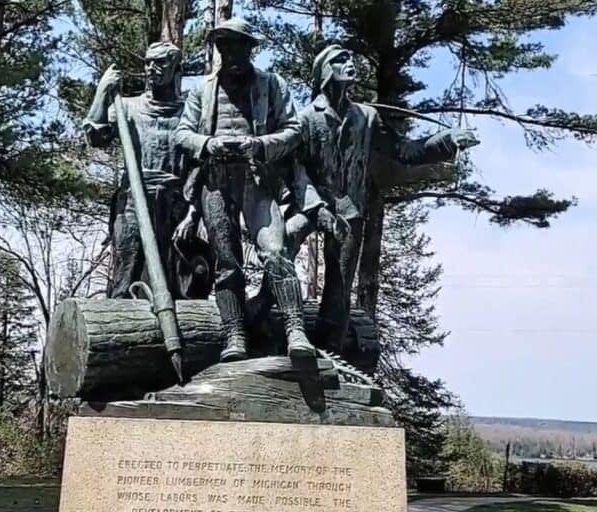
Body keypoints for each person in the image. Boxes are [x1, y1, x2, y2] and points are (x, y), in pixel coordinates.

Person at [290, 44, 480, 351]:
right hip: (310, 205)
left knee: (339, 283)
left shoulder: (367, 117)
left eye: (349, 56)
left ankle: (328, 354)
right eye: (340, 59)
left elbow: (406, 151)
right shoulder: (305, 119)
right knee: (282, 246)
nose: (350, 62)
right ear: (325, 72)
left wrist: (447, 140)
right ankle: (276, 322)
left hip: (348, 210)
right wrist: (315, 206)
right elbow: (294, 170)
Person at [173, 18, 315, 362]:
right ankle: (234, 334)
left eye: (236, 45)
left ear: (250, 48)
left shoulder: (272, 85)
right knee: (227, 263)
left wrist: (261, 145)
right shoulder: (202, 91)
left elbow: (295, 129)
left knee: (276, 250)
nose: (229, 52)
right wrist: (208, 145)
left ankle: (295, 327)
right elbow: (182, 133)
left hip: (258, 179)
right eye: (223, 46)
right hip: (216, 181)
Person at [84, 42, 212, 300]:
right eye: (147, 62)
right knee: (127, 268)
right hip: (134, 198)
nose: (151, 68)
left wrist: (193, 212)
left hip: (176, 201)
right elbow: (95, 137)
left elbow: (202, 166)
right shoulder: (128, 107)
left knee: (178, 276)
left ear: (176, 69)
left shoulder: (190, 112)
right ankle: (120, 330)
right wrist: (103, 91)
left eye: (160, 62)